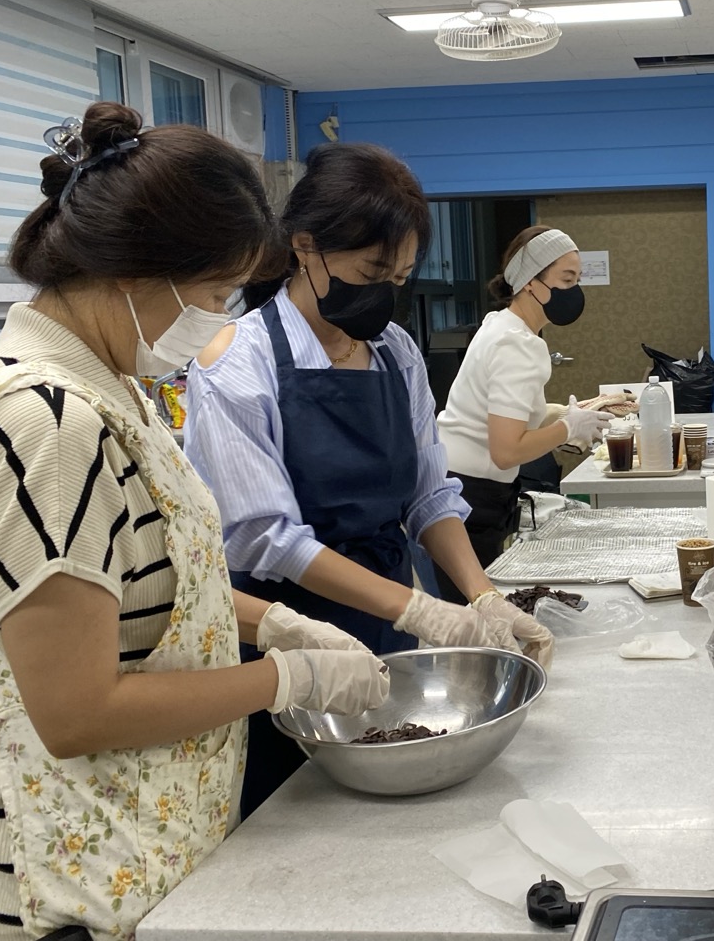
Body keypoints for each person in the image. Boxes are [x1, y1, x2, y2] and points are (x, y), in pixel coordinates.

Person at [0, 104, 389, 941]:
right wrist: (286, 682)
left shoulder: (110, 385)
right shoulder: (46, 423)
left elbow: (137, 583)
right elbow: (77, 711)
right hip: (74, 882)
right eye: (209, 293)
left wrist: (279, 623)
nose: (217, 319)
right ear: (132, 271)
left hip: (148, 846)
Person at [185, 143, 552, 818]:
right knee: (300, 822)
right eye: (372, 269)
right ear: (304, 247)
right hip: (287, 636)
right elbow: (270, 540)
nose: (387, 290)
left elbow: (430, 495)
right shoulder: (237, 365)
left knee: (397, 807)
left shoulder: (394, 353)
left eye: (403, 274)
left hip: (385, 630)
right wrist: (417, 607)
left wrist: (480, 596)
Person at [436, 226, 612, 581]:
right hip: (472, 497)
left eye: (577, 279)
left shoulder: (499, 326)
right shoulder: (518, 344)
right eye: (566, 279)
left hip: (452, 489)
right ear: (531, 281)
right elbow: (506, 449)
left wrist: (565, 412)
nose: (574, 290)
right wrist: (568, 428)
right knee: (481, 621)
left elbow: (499, 415)